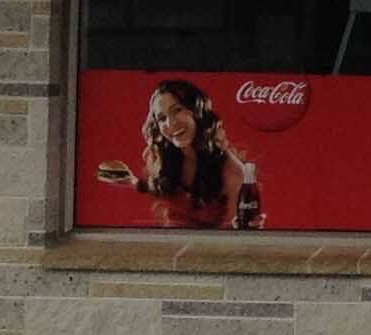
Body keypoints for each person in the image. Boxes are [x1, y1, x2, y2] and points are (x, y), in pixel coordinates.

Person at [92, 78, 264, 229]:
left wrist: (246, 228)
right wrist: (133, 182)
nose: (171, 123)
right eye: (161, 118)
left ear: (198, 111)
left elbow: (237, 241)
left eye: (177, 110)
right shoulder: (160, 154)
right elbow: (166, 190)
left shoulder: (233, 173)